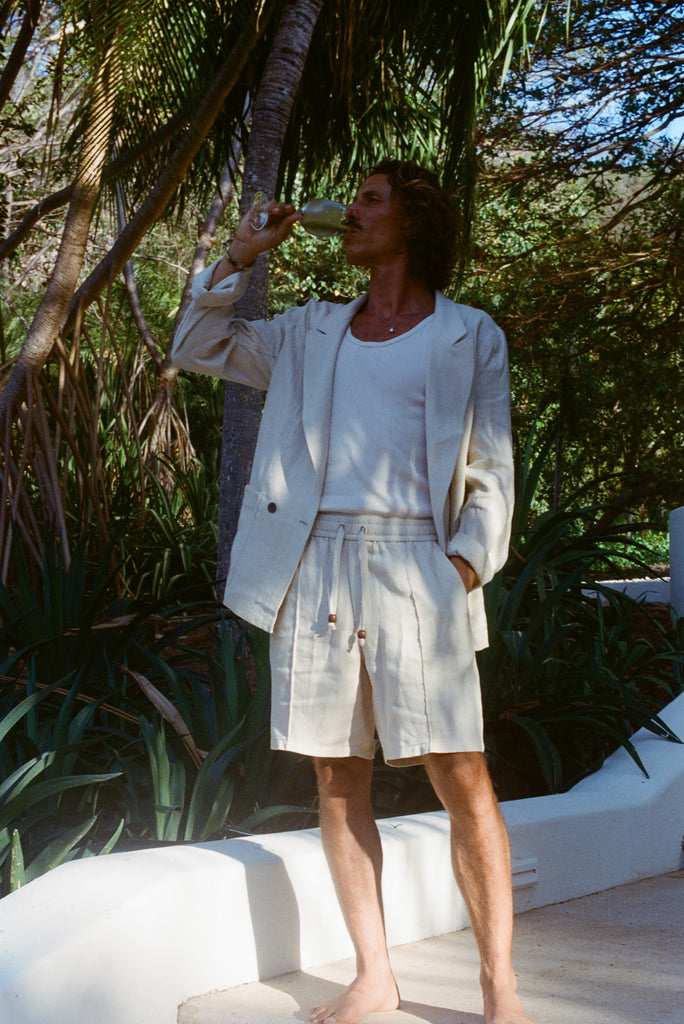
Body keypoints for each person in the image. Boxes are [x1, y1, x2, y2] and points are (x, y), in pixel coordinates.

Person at [171, 159, 536, 1024]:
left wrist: (461, 568)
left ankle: (500, 987)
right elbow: (196, 346)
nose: (354, 213)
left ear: (413, 222)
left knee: (462, 771)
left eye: (373, 201)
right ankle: (375, 976)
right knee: (339, 776)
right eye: (357, 201)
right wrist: (239, 256)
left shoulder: (470, 334)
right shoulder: (308, 331)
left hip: (421, 562)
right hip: (316, 559)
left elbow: (492, 471)